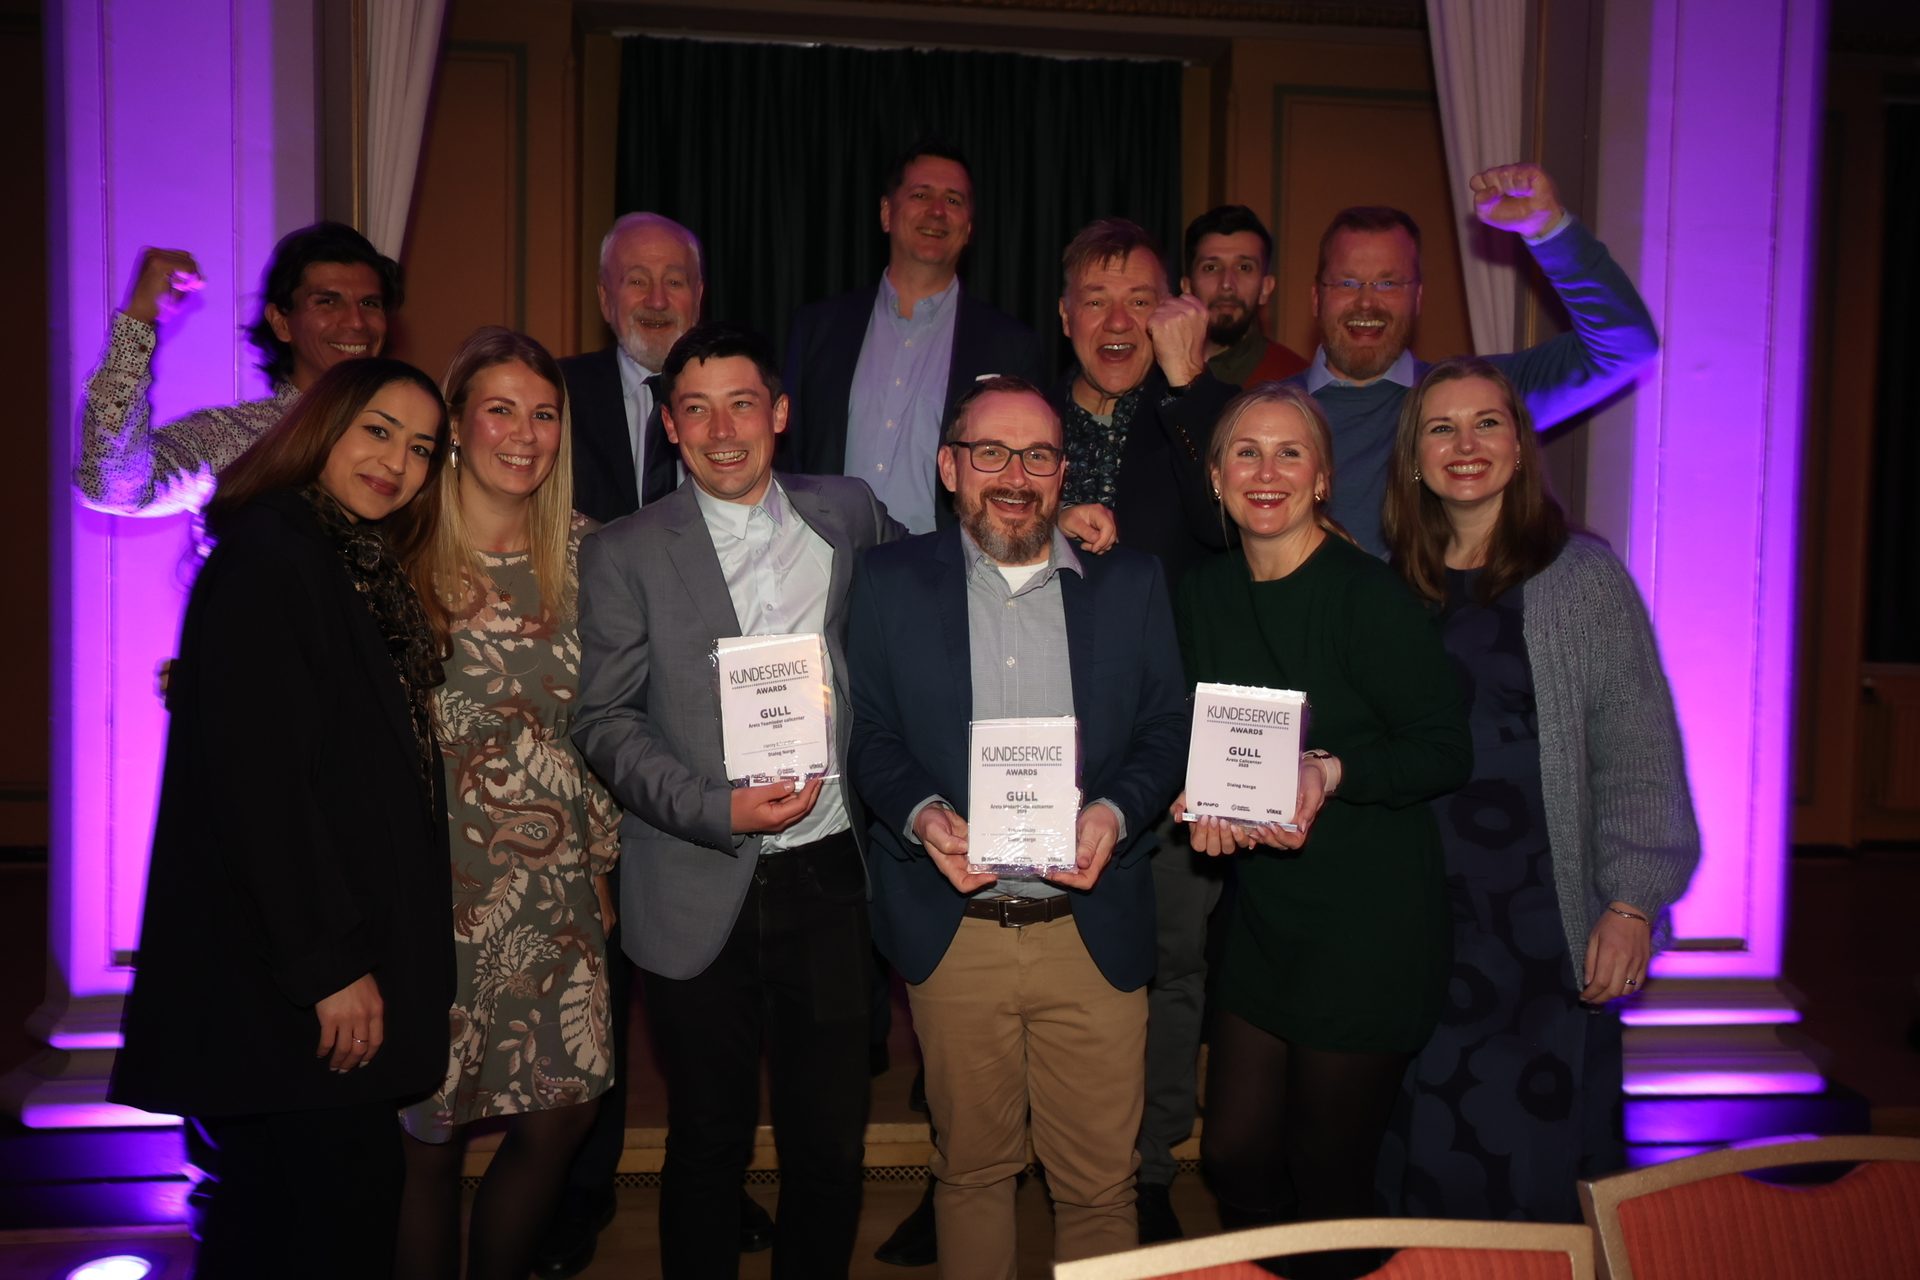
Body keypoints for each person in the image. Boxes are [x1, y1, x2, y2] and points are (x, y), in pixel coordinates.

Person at [109, 357, 453, 1279]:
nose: (397, 462)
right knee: (329, 1223)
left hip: (298, 977)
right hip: (291, 984)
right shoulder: (276, 551)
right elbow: (260, 787)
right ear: (321, 428)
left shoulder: (340, 555)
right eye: (378, 430)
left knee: (277, 1224)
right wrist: (329, 966)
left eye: (422, 448)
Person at [573, 322, 903, 1279]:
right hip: (692, 877)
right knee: (707, 1141)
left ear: (780, 413)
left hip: (830, 877)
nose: (723, 431)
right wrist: (714, 809)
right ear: (671, 427)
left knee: (829, 1144)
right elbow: (604, 720)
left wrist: (1065, 528)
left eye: (742, 404)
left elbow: (936, 584)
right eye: (697, 409)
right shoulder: (625, 551)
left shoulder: (848, 514)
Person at [847, 375, 1188, 1276]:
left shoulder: (1131, 583)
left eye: (1037, 455)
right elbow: (868, 733)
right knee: (968, 1175)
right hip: (955, 931)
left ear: (1063, 472)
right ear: (949, 467)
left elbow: (1166, 727)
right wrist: (923, 815)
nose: (1015, 474)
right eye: (991, 452)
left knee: (1102, 1188)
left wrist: (1115, 812)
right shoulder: (886, 583)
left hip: (1092, 931)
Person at [1375, 357, 1700, 1222]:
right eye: (1441, 428)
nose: (1466, 444)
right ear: (1414, 460)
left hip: (1542, 928)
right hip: (1417, 922)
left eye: (1487, 423)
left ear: (1519, 447)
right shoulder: (1392, 586)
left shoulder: (1580, 578)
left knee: (1532, 1154)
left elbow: (1639, 751)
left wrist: (1631, 904)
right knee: (1421, 1143)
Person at [1170, 383, 1469, 1278]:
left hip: (1369, 924)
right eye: (1246, 452)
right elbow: (1197, 736)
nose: (1267, 472)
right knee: (1234, 1156)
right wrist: (1196, 801)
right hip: (1267, 921)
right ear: (1216, 477)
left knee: (1329, 1176)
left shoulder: (1366, 597)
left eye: (1290, 452)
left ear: (1324, 479)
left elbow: (1445, 749)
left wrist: (1330, 771)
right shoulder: (1203, 593)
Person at [388, 328, 622, 1280]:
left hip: (556, 885)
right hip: (429, 882)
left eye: (544, 414)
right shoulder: (397, 547)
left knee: (566, 1111)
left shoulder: (592, 553)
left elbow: (607, 726)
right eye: (500, 410)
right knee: (430, 1134)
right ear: (455, 423)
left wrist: (600, 863)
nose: (525, 434)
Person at [1290, 163, 1659, 557]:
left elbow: (1626, 344)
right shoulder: (1263, 416)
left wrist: (1549, 229)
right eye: (1347, 283)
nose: (1367, 301)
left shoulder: (1477, 399)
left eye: (1388, 283)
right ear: (1316, 298)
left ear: (1418, 299)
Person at [784, 140, 1043, 534]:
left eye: (953, 200)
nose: (937, 211)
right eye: (921, 194)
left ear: (969, 227)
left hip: (948, 563)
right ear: (887, 213)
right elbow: (789, 454)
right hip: (827, 557)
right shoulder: (817, 328)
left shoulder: (1011, 346)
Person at [75, 221, 403, 516]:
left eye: (369, 303)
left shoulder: (410, 438)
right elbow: (109, 487)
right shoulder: (233, 439)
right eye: (328, 301)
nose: (356, 322)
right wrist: (137, 322)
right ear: (281, 322)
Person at [1052, 217, 1239, 586]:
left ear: (1169, 314)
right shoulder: (1028, 420)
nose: (1118, 322)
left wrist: (1186, 377)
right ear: (1066, 317)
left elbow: (1224, 527)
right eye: (1095, 302)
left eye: (1139, 302)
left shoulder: (1215, 412)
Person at [563, 212, 705, 524]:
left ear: (697, 298)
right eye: (637, 281)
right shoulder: (558, 395)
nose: (657, 301)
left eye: (674, 282)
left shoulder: (742, 403)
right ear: (605, 299)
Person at [1182, 204, 1310, 387]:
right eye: (1211, 268)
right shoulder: (1152, 372)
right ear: (1187, 287)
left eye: (1244, 267)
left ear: (1265, 288)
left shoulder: (1297, 382)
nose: (1227, 284)